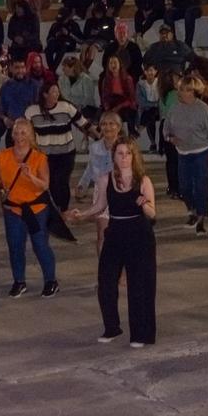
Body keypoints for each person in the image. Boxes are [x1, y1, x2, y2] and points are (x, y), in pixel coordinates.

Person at [68, 138, 157, 347]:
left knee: (138, 286)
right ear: (113, 156)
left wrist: (144, 204)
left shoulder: (143, 180)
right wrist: (82, 215)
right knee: (106, 281)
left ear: (134, 156)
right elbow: (99, 206)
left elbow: (153, 215)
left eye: (128, 153)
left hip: (139, 235)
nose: (124, 157)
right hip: (115, 231)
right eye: (120, 153)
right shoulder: (105, 179)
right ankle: (112, 327)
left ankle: (140, 333)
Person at [0, 118, 59, 298]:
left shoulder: (39, 158)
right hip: (13, 209)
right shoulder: (3, 157)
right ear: (11, 135)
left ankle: (51, 280)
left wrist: (31, 176)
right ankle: (19, 280)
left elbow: (45, 185)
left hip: (36, 209)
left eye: (24, 133)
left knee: (40, 245)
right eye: (17, 133)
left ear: (31, 135)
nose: (20, 137)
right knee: (15, 246)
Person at [24, 81, 97, 214]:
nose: (56, 94)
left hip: (66, 152)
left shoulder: (66, 107)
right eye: (53, 92)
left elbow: (84, 124)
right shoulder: (32, 111)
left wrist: (99, 136)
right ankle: (54, 208)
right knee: (50, 182)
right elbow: (26, 131)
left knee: (62, 180)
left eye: (57, 92)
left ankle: (63, 209)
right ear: (45, 94)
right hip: (45, 154)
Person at [163, 75, 208, 235]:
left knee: (201, 186)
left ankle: (201, 219)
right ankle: (192, 211)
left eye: (187, 90)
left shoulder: (205, 110)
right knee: (184, 186)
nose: (182, 92)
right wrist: (170, 138)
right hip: (182, 153)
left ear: (195, 92)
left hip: (201, 152)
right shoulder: (174, 108)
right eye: (181, 89)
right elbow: (165, 130)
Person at [75, 111, 123, 250]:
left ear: (118, 127)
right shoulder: (95, 147)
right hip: (101, 193)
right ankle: (105, 269)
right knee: (102, 234)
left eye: (111, 124)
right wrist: (82, 185)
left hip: (121, 193)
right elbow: (90, 167)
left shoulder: (126, 147)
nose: (107, 127)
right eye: (104, 124)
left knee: (121, 236)